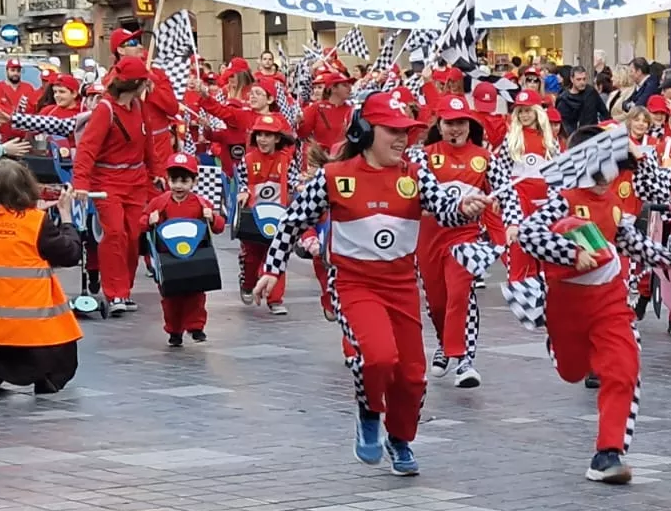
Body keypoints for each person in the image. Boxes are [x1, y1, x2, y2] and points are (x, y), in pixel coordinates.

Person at [253, 89, 491, 476]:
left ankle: (400, 439)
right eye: (392, 130)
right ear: (366, 131)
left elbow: (445, 212)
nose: (403, 139)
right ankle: (369, 412)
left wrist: (464, 207)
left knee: (413, 376)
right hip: (353, 283)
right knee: (379, 356)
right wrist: (271, 268)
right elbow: (292, 221)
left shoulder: (414, 175)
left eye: (408, 131)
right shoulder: (333, 177)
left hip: (400, 284)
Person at [513, 125, 671, 483]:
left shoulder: (612, 204)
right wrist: (570, 251)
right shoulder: (561, 199)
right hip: (567, 305)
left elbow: (632, 243)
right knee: (572, 371)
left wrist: (670, 252)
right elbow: (528, 235)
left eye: (609, 165)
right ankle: (558, 345)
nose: (602, 175)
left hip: (610, 302)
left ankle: (608, 452)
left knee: (624, 367)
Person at [0, 160, 82, 400]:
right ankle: (46, 378)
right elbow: (70, 254)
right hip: (27, 329)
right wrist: (66, 218)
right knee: (59, 357)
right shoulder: (35, 222)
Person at [72, 56, 163, 315]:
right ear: (135, 83)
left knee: (134, 237)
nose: (148, 86)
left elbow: (148, 144)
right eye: (145, 82)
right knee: (114, 235)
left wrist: (156, 171)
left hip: (135, 183)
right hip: (107, 182)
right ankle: (115, 294)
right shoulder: (105, 110)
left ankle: (125, 289)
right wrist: (81, 182)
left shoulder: (139, 106)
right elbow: (87, 149)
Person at [421, 94, 498, 389]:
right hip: (428, 236)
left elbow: (502, 196)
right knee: (437, 301)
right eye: (450, 123)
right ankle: (445, 343)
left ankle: (465, 360)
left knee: (460, 294)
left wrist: (508, 230)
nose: (456, 129)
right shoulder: (424, 156)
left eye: (461, 122)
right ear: (439, 126)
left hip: (465, 236)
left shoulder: (484, 157)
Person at [145, 153, 228, 347]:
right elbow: (143, 222)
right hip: (168, 258)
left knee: (196, 295)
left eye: (184, 180)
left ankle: (196, 327)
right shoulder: (160, 202)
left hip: (194, 258)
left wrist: (212, 217)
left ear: (194, 182)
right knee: (170, 298)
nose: (179, 186)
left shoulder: (200, 203)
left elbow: (219, 227)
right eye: (174, 180)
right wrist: (149, 220)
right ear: (168, 179)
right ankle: (174, 331)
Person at [492, 90, 564, 283]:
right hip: (519, 198)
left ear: (536, 112)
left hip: (543, 199)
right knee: (518, 244)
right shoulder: (512, 139)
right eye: (520, 111)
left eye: (528, 111)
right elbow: (502, 171)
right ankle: (520, 283)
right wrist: (501, 197)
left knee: (544, 243)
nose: (524, 115)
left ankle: (546, 286)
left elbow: (557, 173)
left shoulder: (549, 140)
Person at [235, 112, 300, 315]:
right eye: (260, 134)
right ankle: (247, 283)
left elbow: (294, 180)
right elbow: (242, 183)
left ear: (277, 138)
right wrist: (243, 192)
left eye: (268, 135)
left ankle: (275, 299)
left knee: (277, 254)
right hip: (253, 216)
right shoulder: (247, 160)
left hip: (278, 215)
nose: (263, 139)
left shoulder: (286, 160)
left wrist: (301, 186)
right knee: (252, 257)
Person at [554, 66, 606, 135]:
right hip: (575, 138)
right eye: (578, 79)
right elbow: (564, 126)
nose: (582, 82)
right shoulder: (564, 100)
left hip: (593, 135)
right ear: (572, 79)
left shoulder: (591, 92)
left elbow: (604, 112)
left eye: (584, 79)